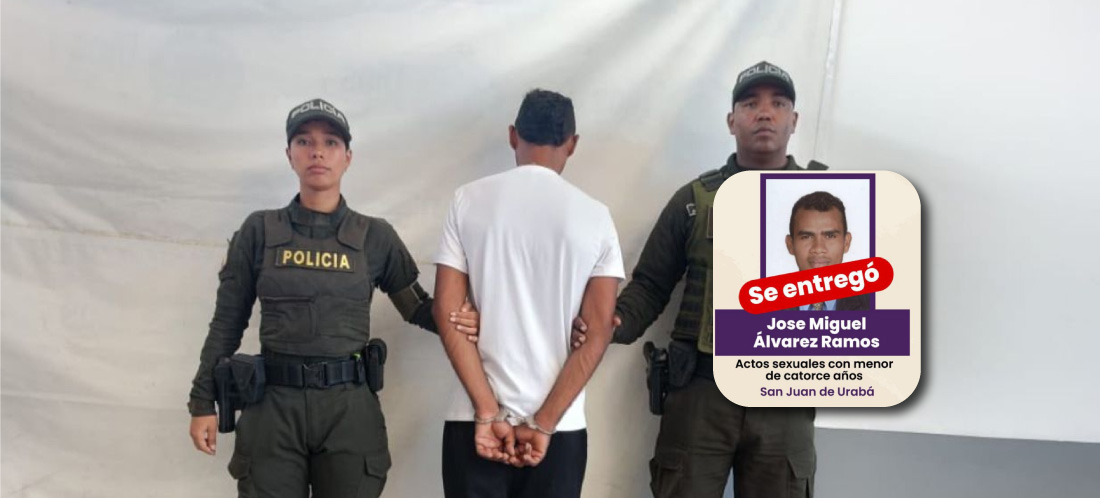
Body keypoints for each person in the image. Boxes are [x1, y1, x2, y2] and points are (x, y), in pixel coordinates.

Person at [186, 98, 480, 498]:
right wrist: (202, 400)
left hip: (348, 411)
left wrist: (473, 318)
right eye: (304, 142)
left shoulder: (375, 236)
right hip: (273, 408)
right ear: (289, 155)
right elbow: (227, 322)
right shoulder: (259, 231)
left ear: (347, 157)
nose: (317, 152)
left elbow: (417, 308)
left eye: (330, 142)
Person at [573, 61, 823, 497]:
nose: (765, 113)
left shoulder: (832, 201)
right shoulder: (694, 200)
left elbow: (858, 298)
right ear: (732, 121)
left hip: (784, 394)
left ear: (794, 120)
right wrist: (608, 324)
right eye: (750, 104)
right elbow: (650, 285)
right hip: (702, 393)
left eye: (778, 104)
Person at [432, 89, 623, 498]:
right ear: (572, 143)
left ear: (513, 135)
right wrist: (544, 422)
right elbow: (599, 329)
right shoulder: (596, 217)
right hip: (560, 426)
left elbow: (446, 311)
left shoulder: (467, 200)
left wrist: (487, 410)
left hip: (473, 417)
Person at [786, 190, 869, 311]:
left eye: (830, 236)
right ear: (790, 244)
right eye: (806, 237)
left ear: (846, 242)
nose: (818, 248)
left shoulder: (874, 303)